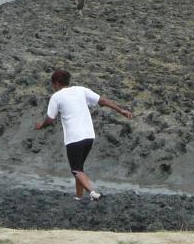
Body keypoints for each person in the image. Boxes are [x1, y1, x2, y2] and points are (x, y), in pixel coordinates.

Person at [34, 69, 132, 201]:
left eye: (52, 84)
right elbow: (102, 101)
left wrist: (40, 126)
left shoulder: (56, 97)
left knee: (75, 170)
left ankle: (92, 192)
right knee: (79, 168)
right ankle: (79, 197)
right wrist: (121, 110)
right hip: (89, 136)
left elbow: (50, 120)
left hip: (74, 138)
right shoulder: (81, 90)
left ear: (56, 83)